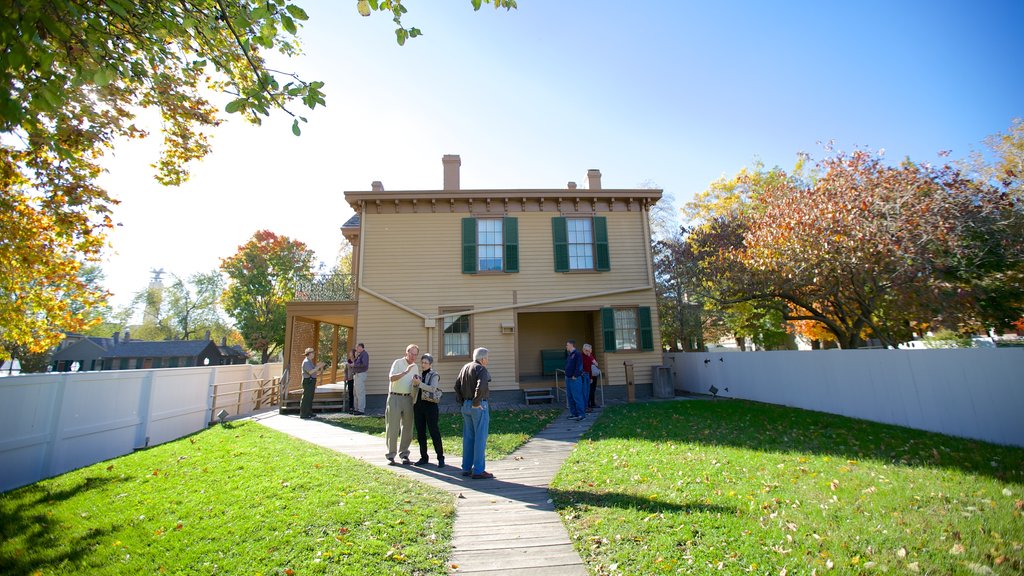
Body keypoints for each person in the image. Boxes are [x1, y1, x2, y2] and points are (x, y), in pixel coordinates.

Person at [455, 347, 493, 479]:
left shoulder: (465, 367)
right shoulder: (481, 369)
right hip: (478, 406)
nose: (487, 361)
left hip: (466, 405)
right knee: (480, 438)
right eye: (487, 358)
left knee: (469, 437)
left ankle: (466, 468)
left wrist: (462, 401)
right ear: (482, 359)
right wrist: (476, 403)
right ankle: (478, 470)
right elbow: (481, 386)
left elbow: (457, 385)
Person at [385, 344, 419, 465]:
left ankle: (404, 454)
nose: (413, 356)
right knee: (393, 427)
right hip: (395, 397)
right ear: (406, 353)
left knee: (407, 427)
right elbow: (391, 378)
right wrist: (405, 372)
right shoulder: (398, 363)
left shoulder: (416, 367)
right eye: (411, 353)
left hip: (408, 399)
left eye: (416, 354)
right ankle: (391, 455)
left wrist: (416, 383)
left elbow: (416, 384)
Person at [412, 353, 445, 468]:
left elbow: (432, 388)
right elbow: (415, 389)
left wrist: (419, 384)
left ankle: (440, 457)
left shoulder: (434, 374)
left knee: (434, 431)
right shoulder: (418, 374)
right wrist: (415, 384)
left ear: (430, 364)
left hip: (430, 406)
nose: (423, 364)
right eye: (422, 362)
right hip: (418, 406)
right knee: (420, 433)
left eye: (426, 363)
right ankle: (424, 457)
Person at [299, 347, 325, 419]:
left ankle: (309, 412)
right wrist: (318, 366)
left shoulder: (310, 362)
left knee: (310, 398)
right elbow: (310, 372)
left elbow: (315, 372)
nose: (314, 354)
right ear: (309, 354)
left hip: (311, 381)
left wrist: (320, 367)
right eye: (313, 352)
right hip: (307, 381)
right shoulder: (306, 362)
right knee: (306, 398)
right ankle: (304, 414)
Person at [564, 339, 585, 420]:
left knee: (577, 396)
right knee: (570, 396)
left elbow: (579, 366)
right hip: (568, 378)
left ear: (571, 345)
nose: (566, 346)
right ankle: (574, 414)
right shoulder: (570, 354)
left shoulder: (577, 354)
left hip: (575, 379)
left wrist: (575, 375)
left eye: (567, 345)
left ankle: (581, 414)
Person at [351, 343, 369, 415]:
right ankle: (356, 408)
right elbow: (355, 363)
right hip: (357, 375)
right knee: (355, 393)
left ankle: (361, 410)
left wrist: (354, 365)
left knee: (360, 393)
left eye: (357, 347)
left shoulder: (364, 354)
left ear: (361, 347)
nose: (356, 349)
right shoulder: (359, 355)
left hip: (360, 374)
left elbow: (364, 364)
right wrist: (355, 357)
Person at [582, 343, 599, 412]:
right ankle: (587, 405)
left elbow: (596, 364)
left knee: (592, 389)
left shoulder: (590, 356)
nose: (588, 352)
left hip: (591, 375)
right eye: (586, 350)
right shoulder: (582, 356)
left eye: (589, 350)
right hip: (585, 375)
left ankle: (591, 403)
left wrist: (590, 357)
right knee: (586, 391)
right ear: (583, 349)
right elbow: (586, 368)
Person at [344, 348, 356, 413]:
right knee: (350, 393)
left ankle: (355, 407)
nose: (349, 354)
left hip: (355, 378)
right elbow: (345, 370)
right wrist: (345, 377)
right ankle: (350, 407)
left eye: (351, 352)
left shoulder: (356, 361)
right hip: (349, 379)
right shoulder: (348, 361)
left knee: (355, 393)